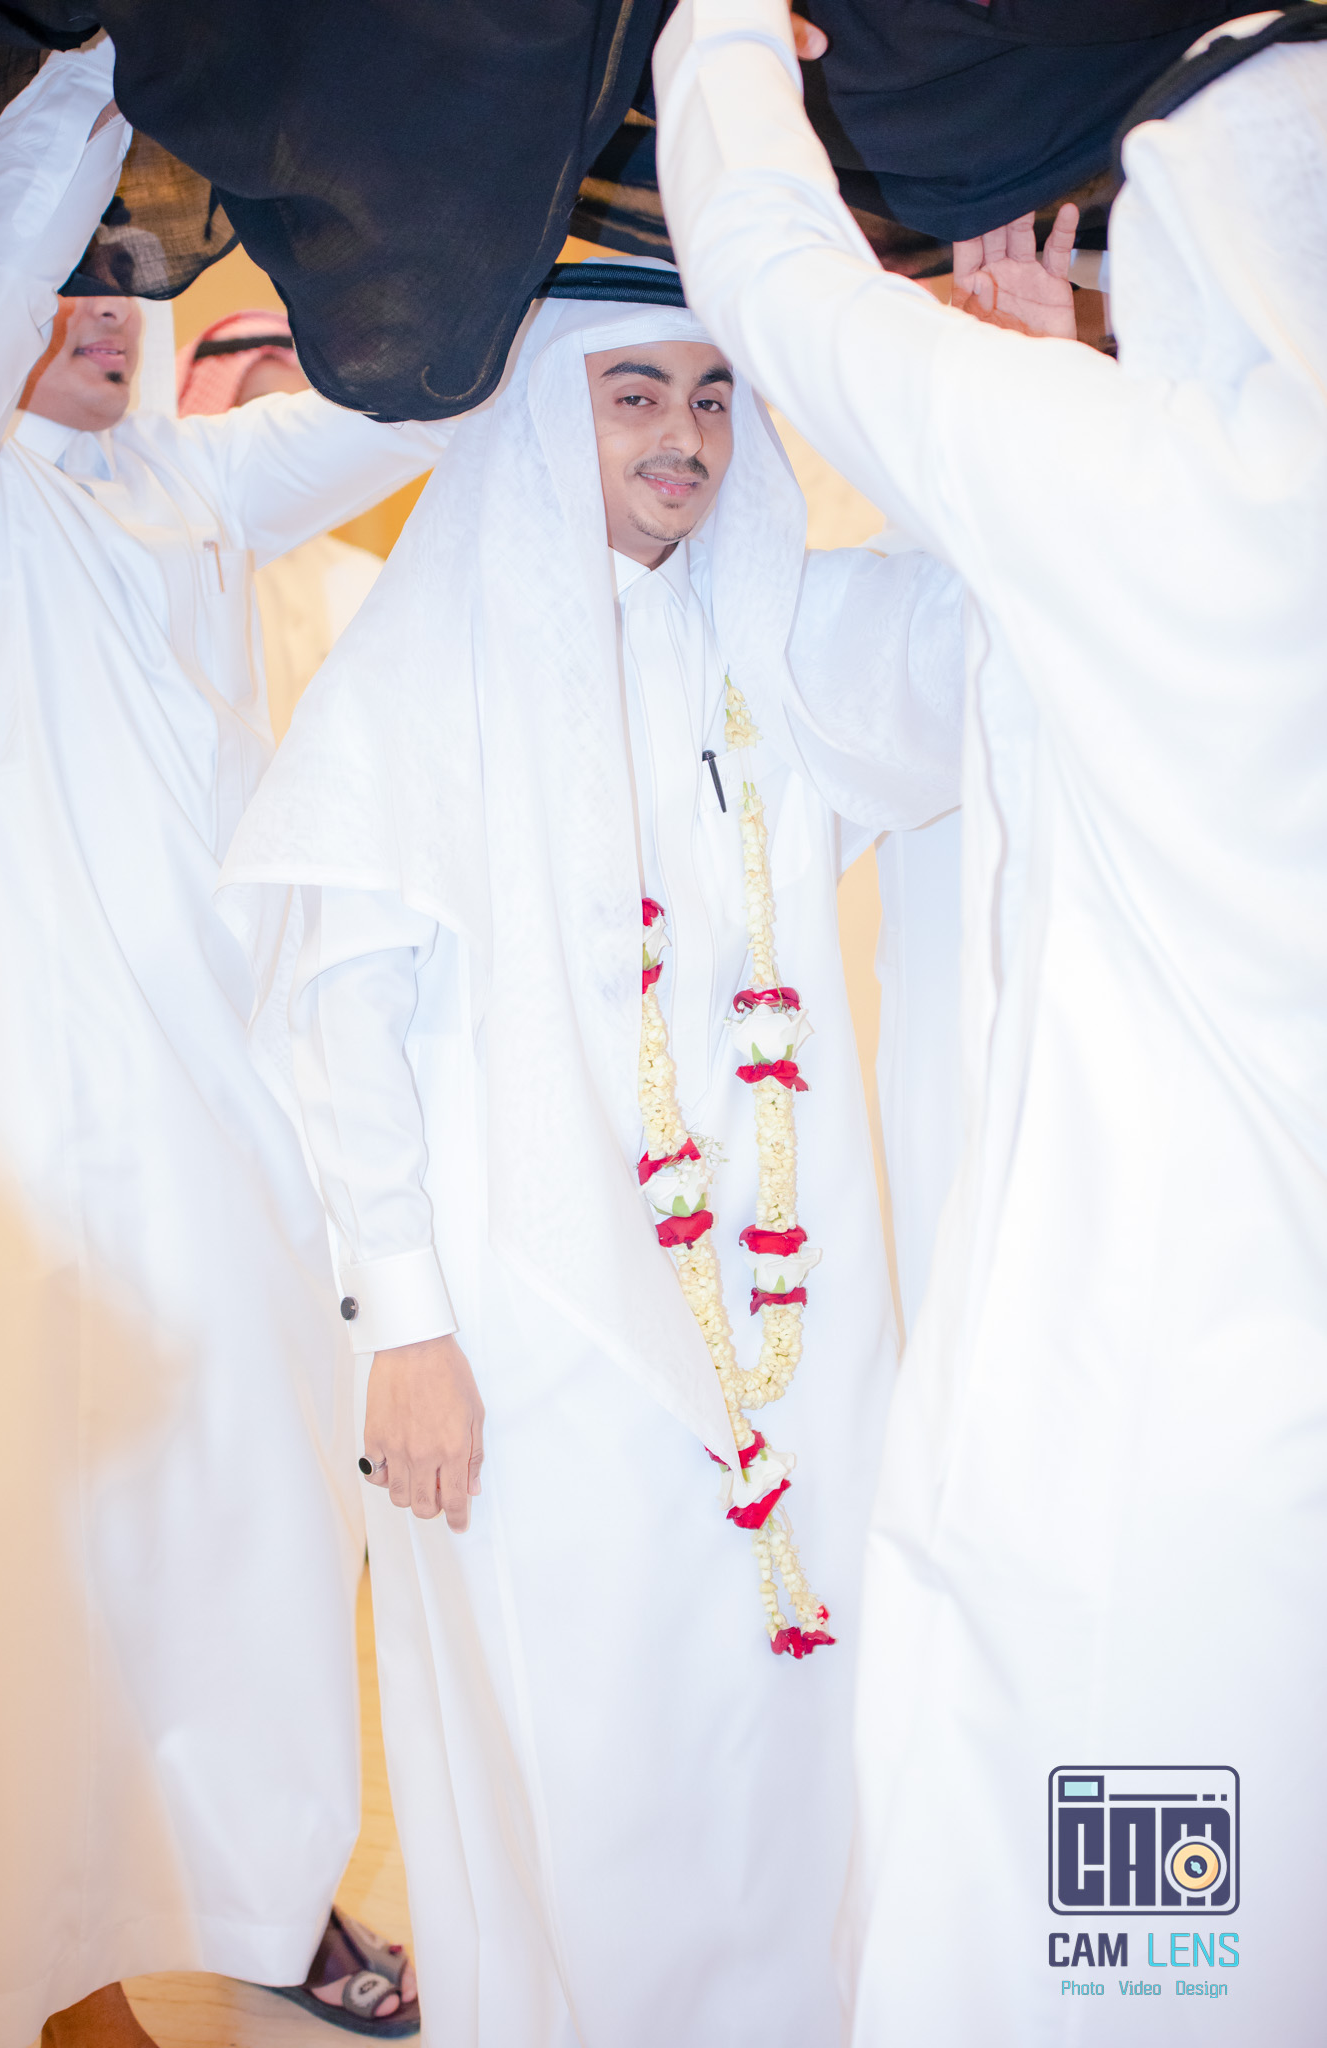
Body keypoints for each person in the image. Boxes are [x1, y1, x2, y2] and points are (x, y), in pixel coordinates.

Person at [654, 4, 1327, 2043]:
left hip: (1137, 1399)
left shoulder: (1151, 490)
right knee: (1221, 1922)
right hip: (1259, 1419)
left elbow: (774, 276)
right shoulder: (1189, 499)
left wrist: (713, 30)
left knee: (1085, 1912)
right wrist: (1058, 378)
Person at [218, 270, 964, 2046]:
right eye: (634, 393)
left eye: (712, 396)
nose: (682, 437)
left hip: (787, 1325)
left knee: (789, 1749)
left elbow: (968, 637)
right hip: (535, 1328)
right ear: (550, 413)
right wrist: (408, 1324)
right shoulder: (430, 666)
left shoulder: (770, 637)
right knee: (591, 1765)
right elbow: (343, 1018)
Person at [0, 40, 457, 2048]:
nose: (102, 309)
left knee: (247, 1574)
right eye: (68, 277)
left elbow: (422, 389)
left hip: (236, 1183)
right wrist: (87, 58)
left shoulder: (194, 490)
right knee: (41, 1596)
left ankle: (239, 1908)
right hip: (37, 1185)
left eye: (134, 276)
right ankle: (54, 1979)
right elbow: (4, 250)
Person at [178, 311, 387, 738]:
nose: (286, 444)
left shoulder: (368, 581)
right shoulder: (169, 580)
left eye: (299, 423)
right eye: (260, 421)